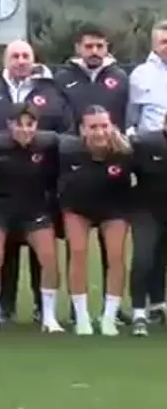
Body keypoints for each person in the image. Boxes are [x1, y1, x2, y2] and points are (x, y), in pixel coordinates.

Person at [0, 40, 72, 323]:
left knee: (46, 256)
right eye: (15, 56)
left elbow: (67, 135)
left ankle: (46, 312)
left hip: (38, 194)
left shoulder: (51, 92)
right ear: (5, 60)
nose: (20, 60)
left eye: (25, 55)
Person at [0, 104, 63, 333]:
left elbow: (75, 145)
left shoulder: (49, 143)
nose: (25, 129)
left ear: (37, 125)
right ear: (9, 124)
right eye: (19, 124)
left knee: (49, 258)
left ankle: (49, 316)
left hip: (34, 210)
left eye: (30, 124)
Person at [58, 106, 133, 336]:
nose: (99, 132)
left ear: (112, 126)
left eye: (104, 126)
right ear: (82, 129)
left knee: (116, 257)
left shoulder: (125, 152)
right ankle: (82, 318)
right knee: (78, 253)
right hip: (77, 207)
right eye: (93, 127)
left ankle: (109, 317)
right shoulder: (68, 150)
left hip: (114, 208)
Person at [129, 20, 167, 319]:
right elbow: (131, 120)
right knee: (148, 246)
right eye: (164, 41)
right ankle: (144, 305)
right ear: (154, 44)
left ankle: (159, 302)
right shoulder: (141, 75)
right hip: (150, 158)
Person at [130, 121, 167, 335]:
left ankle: (158, 305)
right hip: (146, 210)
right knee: (144, 258)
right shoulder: (146, 144)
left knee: (159, 257)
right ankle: (138, 313)